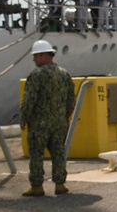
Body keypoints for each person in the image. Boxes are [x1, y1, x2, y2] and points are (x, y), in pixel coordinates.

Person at [19, 40, 75, 197]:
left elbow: (29, 99)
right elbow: (71, 99)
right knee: (58, 152)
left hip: (39, 124)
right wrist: (64, 117)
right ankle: (60, 184)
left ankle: (37, 186)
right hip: (59, 123)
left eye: (36, 56)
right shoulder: (64, 74)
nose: (34, 59)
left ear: (44, 56)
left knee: (36, 154)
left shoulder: (36, 75)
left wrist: (24, 118)